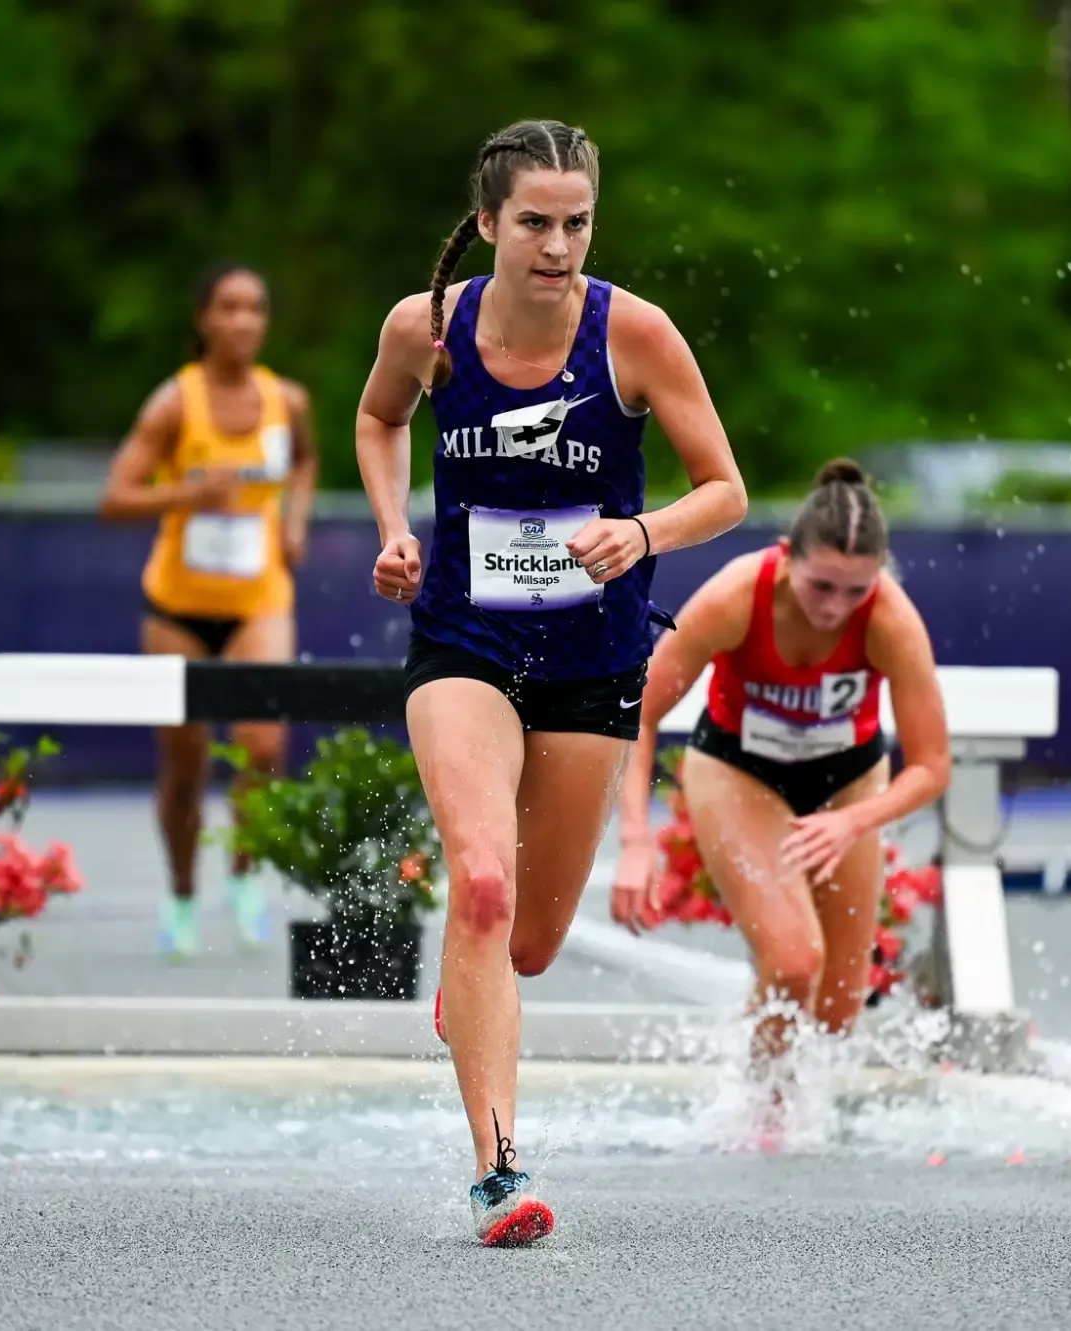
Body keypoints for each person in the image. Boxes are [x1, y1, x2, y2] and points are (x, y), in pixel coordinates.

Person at [356, 119, 748, 1246]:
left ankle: (474, 984)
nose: (557, 244)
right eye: (533, 221)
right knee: (478, 883)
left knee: (525, 941)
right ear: (485, 225)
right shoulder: (425, 327)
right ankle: (497, 1171)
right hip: (463, 643)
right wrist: (393, 527)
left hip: (594, 657)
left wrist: (639, 528)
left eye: (576, 221)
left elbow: (722, 489)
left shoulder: (635, 333)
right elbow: (378, 419)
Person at [609, 459, 952, 1075]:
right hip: (741, 773)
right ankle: (756, 1110)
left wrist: (855, 822)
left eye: (856, 590)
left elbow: (931, 766)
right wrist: (636, 839)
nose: (835, 607)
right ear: (787, 555)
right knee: (794, 963)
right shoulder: (736, 596)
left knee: (840, 1010)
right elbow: (635, 715)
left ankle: (787, 1101)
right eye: (822, 586)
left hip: (847, 784)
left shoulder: (891, 620)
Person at [100, 262, 318, 960]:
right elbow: (115, 498)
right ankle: (183, 892)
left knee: (264, 747)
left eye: (255, 307)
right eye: (228, 307)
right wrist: (188, 496)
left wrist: (294, 521)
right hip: (178, 605)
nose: (243, 321)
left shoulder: (287, 400)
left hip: (259, 598)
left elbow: (308, 462)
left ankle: (246, 879)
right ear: (203, 320)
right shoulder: (175, 404)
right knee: (186, 764)